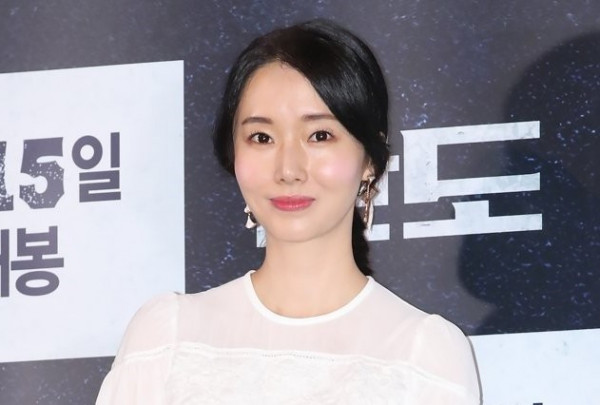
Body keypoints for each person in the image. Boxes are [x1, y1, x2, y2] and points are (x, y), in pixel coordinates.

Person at [96, 19, 481, 404]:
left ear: (369, 159)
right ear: (233, 153)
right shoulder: (168, 339)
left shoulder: (423, 355)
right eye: (262, 137)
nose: (288, 169)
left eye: (319, 136)